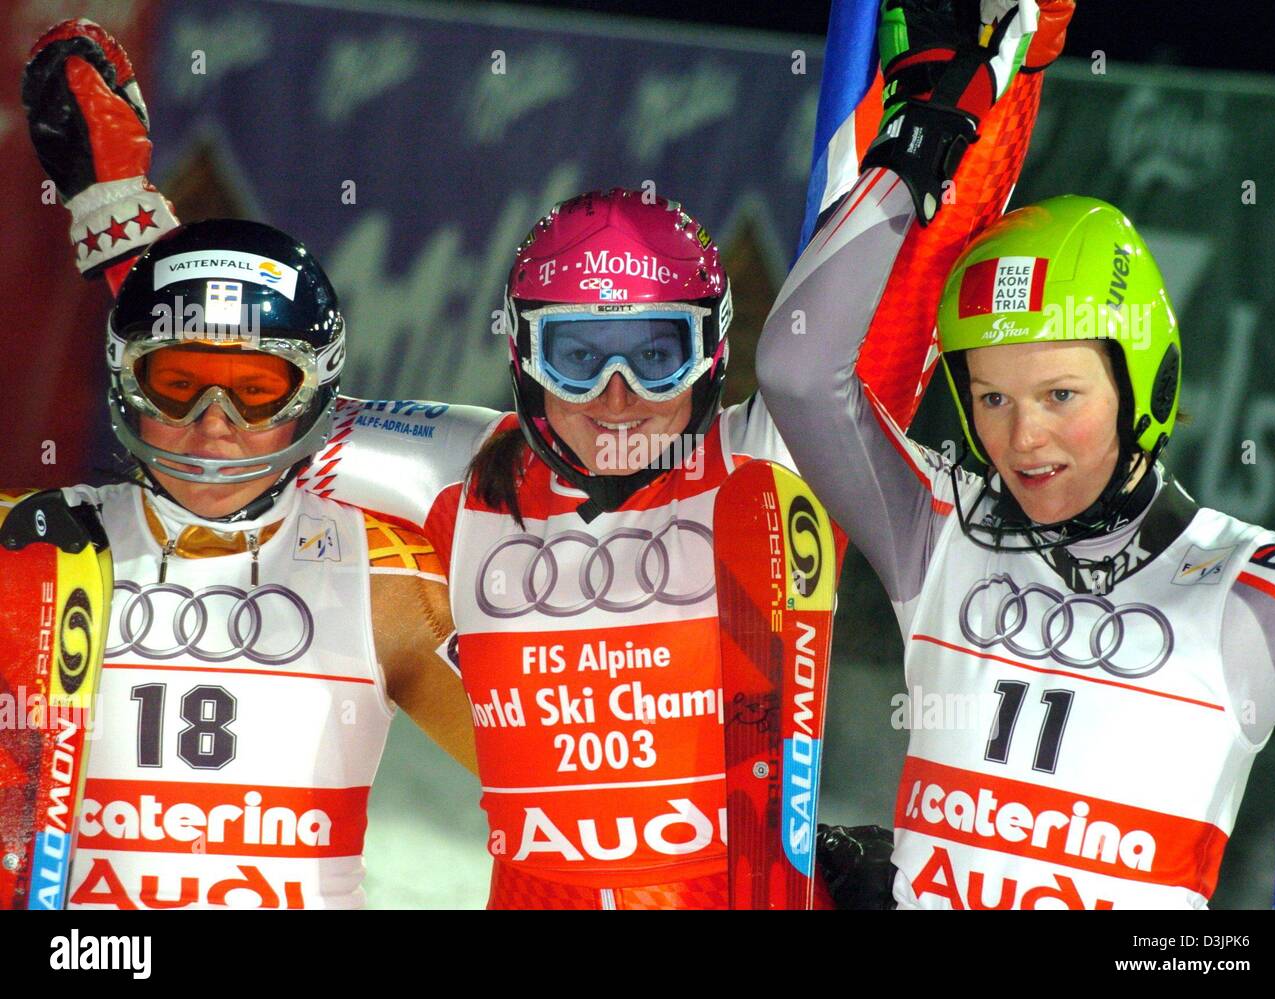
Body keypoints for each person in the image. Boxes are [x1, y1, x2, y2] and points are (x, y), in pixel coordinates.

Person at [25, 7, 1060, 908]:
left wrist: (986, 87)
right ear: (522, 356)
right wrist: (111, 203)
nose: (617, 400)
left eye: (657, 356)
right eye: (578, 355)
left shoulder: (769, 461)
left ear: (711, 354)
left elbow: (900, 294)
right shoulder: (460, 475)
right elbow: (254, 402)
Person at [757, 167, 1275, 906]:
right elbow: (796, 369)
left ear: (1148, 383)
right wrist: (905, 166)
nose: (1024, 436)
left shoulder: (1244, 582)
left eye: (1060, 394)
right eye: (992, 398)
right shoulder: (939, 530)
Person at [2, 216, 476, 909]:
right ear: (126, 380)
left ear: (314, 397)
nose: (214, 421)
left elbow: (564, 793)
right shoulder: (24, 543)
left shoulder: (387, 577)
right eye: (177, 382)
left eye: (255, 390)